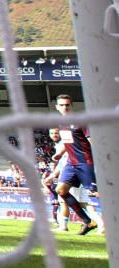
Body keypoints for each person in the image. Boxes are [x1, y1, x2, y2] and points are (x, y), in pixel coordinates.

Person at [51, 97, 100, 236]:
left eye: (67, 105)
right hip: (71, 163)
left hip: (85, 162)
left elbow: (92, 141)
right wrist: (59, 154)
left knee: (97, 193)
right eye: (62, 105)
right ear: (57, 107)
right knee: (60, 190)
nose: (65, 107)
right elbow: (68, 142)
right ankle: (88, 222)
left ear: (71, 105)